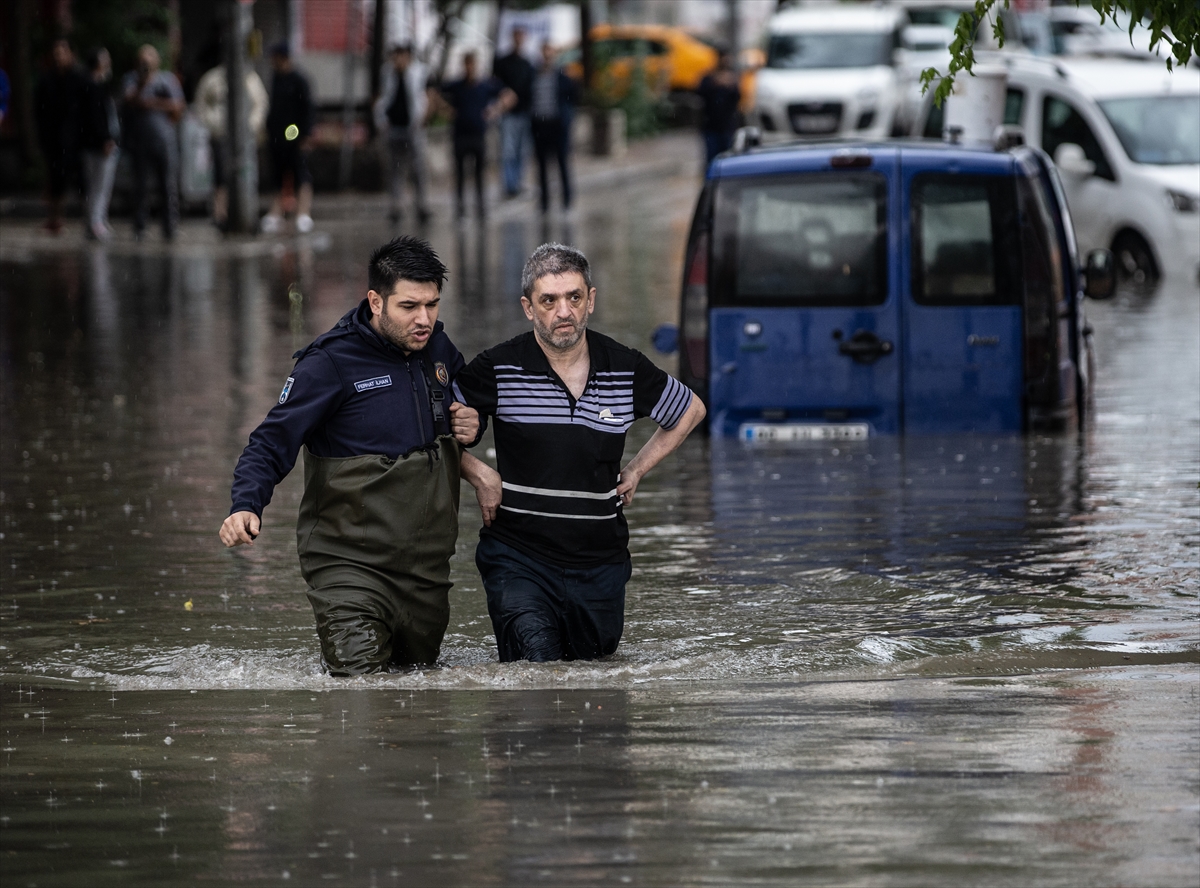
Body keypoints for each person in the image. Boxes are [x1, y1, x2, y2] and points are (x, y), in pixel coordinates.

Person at [220, 236, 500, 675]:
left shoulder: (440, 351)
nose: (424, 319)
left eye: (432, 304)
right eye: (409, 306)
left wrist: (473, 424)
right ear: (375, 301)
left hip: (426, 571)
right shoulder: (328, 362)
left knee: (417, 692)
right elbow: (272, 440)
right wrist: (245, 504)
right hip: (348, 566)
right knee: (361, 688)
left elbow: (459, 421)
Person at [453, 243, 706, 663]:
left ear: (591, 299)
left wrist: (637, 469)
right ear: (528, 308)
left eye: (574, 297)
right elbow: (432, 427)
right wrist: (479, 473)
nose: (563, 312)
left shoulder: (625, 367)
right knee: (536, 668)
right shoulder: (498, 367)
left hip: (600, 564)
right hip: (519, 558)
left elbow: (690, 410)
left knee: (594, 680)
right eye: (548, 301)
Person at [193, 60, 268, 230]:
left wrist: (251, 126)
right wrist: (212, 124)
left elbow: (260, 103)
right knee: (221, 175)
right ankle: (220, 213)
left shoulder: (250, 78)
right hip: (219, 134)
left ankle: (248, 210)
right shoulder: (212, 78)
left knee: (246, 172)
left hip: (245, 137)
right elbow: (201, 104)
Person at [121, 44, 185, 240]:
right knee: (140, 185)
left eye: (150, 58)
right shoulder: (131, 79)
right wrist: (142, 82)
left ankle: (170, 226)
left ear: (157, 61)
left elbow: (178, 106)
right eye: (142, 59)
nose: (146, 62)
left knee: (168, 184)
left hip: (164, 140)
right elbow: (129, 100)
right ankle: (140, 226)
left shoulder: (167, 79)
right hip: (139, 140)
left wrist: (154, 104)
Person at [438, 52, 512, 218]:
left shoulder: (485, 86)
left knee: (479, 174)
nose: (470, 68)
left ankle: (480, 208)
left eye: (472, 64)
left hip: (478, 135)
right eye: (467, 64)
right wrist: (447, 111)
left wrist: (495, 110)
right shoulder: (456, 86)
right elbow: (435, 93)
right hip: (460, 135)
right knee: (460, 174)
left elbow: (509, 96)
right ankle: (460, 209)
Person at [373, 44, 432, 224]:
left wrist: (422, 118)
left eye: (402, 56)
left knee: (418, 169)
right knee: (395, 169)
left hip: (412, 127)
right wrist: (380, 120)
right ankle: (396, 206)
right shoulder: (387, 74)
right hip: (393, 127)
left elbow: (427, 96)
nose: (398, 61)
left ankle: (421, 205)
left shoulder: (418, 73)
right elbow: (381, 97)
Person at [34, 39, 87, 234]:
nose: (59, 58)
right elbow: (39, 111)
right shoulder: (46, 80)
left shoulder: (79, 79)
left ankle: (91, 218)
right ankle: (55, 218)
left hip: (76, 138)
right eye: (56, 54)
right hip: (54, 138)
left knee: (81, 180)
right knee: (55, 179)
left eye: (62, 53)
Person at [261, 43, 315, 234]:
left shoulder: (299, 80)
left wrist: (306, 134)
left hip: (296, 135)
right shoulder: (275, 79)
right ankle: (276, 212)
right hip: (277, 136)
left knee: (300, 173)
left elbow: (308, 108)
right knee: (277, 174)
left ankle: (303, 212)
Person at [529, 43, 578, 215]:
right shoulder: (535, 76)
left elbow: (572, 97)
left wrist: (567, 119)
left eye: (549, 54)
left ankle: (567, 200)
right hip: (540, 126)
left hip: (558, 126)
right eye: (544, 53)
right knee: (541, 166)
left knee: (562, 163)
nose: (547, 57)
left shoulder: (562, 76)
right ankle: (544, 202)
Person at [78, 48, 121, 241]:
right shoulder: (92, 86)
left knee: (97, 185)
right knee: (99, 185)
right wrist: (105, 138)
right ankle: (95, 222)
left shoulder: (98, 85)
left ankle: (97, 220)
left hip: (96, 143)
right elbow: (95, 118)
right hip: (98, 145)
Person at [492, 27, 535, 199]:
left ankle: (517, 183)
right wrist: (504, 96)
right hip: (508, 114)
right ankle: (509, 185)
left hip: (524, 113)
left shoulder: (527, 64)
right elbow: (496, 85)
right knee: (508, 151)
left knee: (521, 151)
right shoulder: (503, 62)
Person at [696, 49, 741, 169]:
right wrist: (715, 83)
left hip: (727, 126)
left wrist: (729, 85)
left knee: (728, 159)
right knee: (712, 160)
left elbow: (737, 97)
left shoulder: (732, 78)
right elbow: (700, 93)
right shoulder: (709, 78)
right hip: (711, 126)